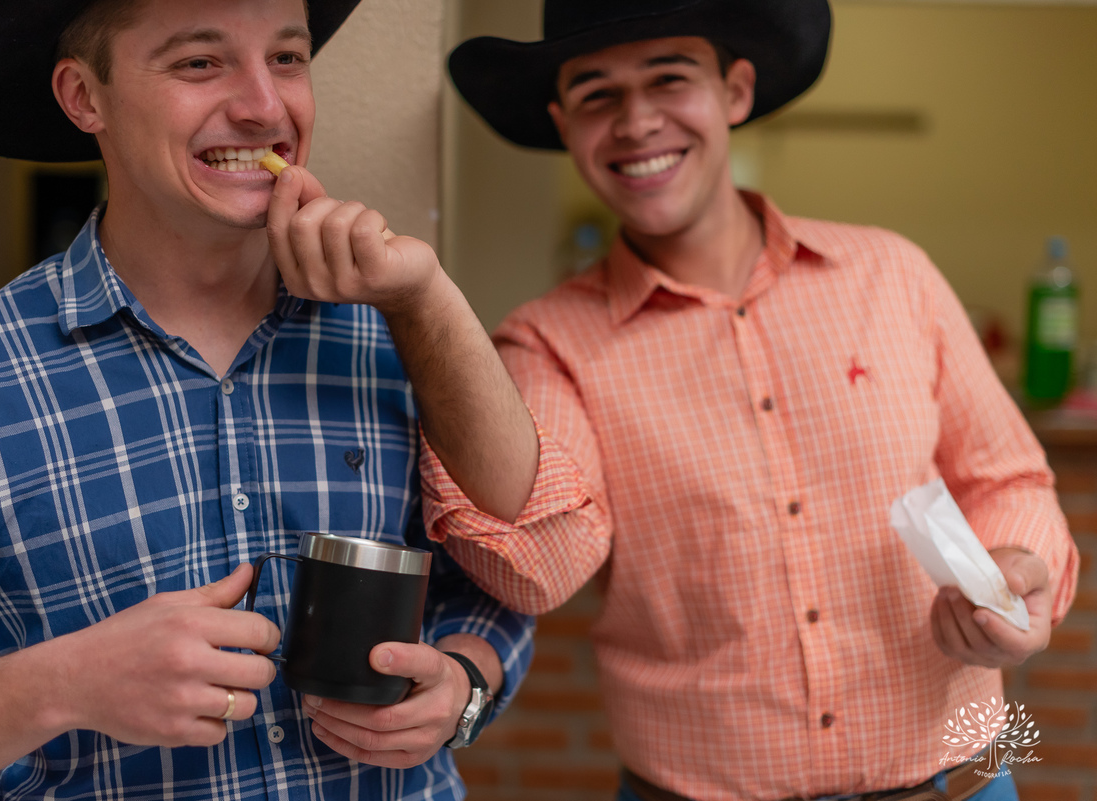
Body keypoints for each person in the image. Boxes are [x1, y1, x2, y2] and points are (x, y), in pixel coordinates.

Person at [426, 1, 1081, 799]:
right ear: (564, 122)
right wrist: (424, 306)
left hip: (964, 781)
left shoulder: (894, 276)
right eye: (597, 94)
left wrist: (1019, 566)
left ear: (735, 91)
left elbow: (1007, 478)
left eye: (670, 78)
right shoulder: (545, 343)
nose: (636, 122)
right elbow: (539, 569)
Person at [0, 0, 547, 798]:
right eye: (200, 63)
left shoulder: (405, 333)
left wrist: (463, 689)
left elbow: (497, 580)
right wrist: (58, 683)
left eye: (287, 58)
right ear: (83, 97)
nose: (265, 108)